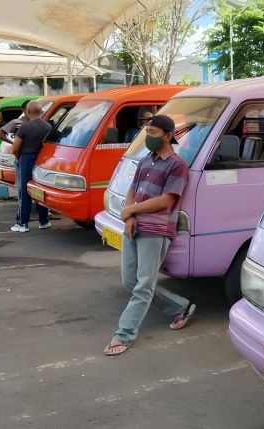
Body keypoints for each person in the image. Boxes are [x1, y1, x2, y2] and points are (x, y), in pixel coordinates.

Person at [104, 115, 196, 357]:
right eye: (147, 131)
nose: (148, 136)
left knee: (143, 285)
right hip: (134, 227)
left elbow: (167, 199)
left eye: (153, 132)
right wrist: (130, 217)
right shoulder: (146, 159)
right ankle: (180, 307)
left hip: (156, 230)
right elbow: (133, 188)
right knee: (130, 282)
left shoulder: (177, 165)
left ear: (168, 135)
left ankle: (124, 333)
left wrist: (131, 210)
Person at [10, 101, 52, 233]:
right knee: (39, 191)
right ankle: (44, 221)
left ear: (28, 111)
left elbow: (15, 148)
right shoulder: (47, 127)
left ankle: (23, 224)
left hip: (26, 159)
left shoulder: (24, 127)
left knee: (25, 192)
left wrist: (19, 158)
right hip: (41, 161)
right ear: (41, 112)